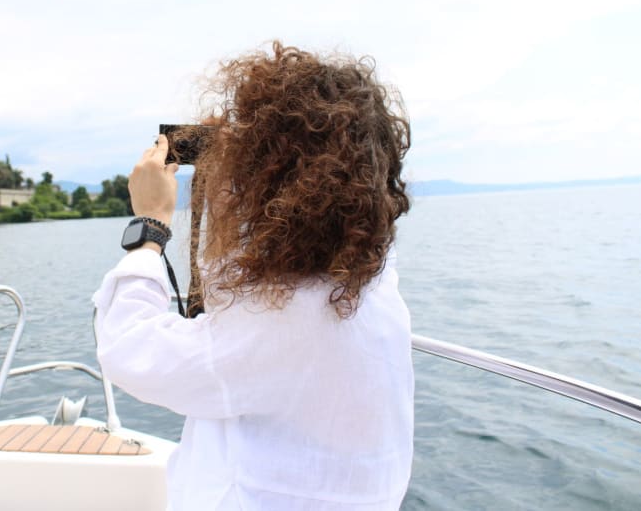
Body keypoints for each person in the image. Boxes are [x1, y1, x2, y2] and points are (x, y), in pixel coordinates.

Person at [93, 41, 413, 510]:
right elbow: (240, 277)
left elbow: (128, 350)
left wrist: (152, 226)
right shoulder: (372, 285)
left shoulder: (278, 323)